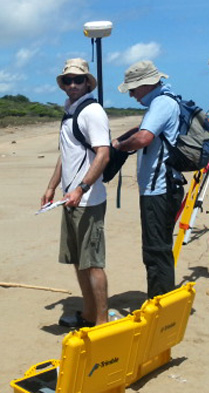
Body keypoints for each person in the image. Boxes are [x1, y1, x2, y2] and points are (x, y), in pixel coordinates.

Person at [41, 58, 111, 327]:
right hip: (69, 199)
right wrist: (51, 187)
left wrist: (82, 188)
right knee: (79, 262)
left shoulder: (92, 112)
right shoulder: (69, 110)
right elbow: (66, 154)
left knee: (92, 262)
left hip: (88, 200)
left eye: (77, 80)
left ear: (87, 82)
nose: (72, 85)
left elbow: (103, 154)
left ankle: (102, 323)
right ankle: (89, 313)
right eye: (67, 80)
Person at [112, 60, 185, 299]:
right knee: (158, 248)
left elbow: (143, 138)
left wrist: (119, 146)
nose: (131, 95)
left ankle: (160, 305)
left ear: (145, 84)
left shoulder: (162, 102)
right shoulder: (164, 100)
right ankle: (161, 301)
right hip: (162, 188)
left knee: (156, 250)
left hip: (159, 189)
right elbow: (143, 129)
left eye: (133, 89)